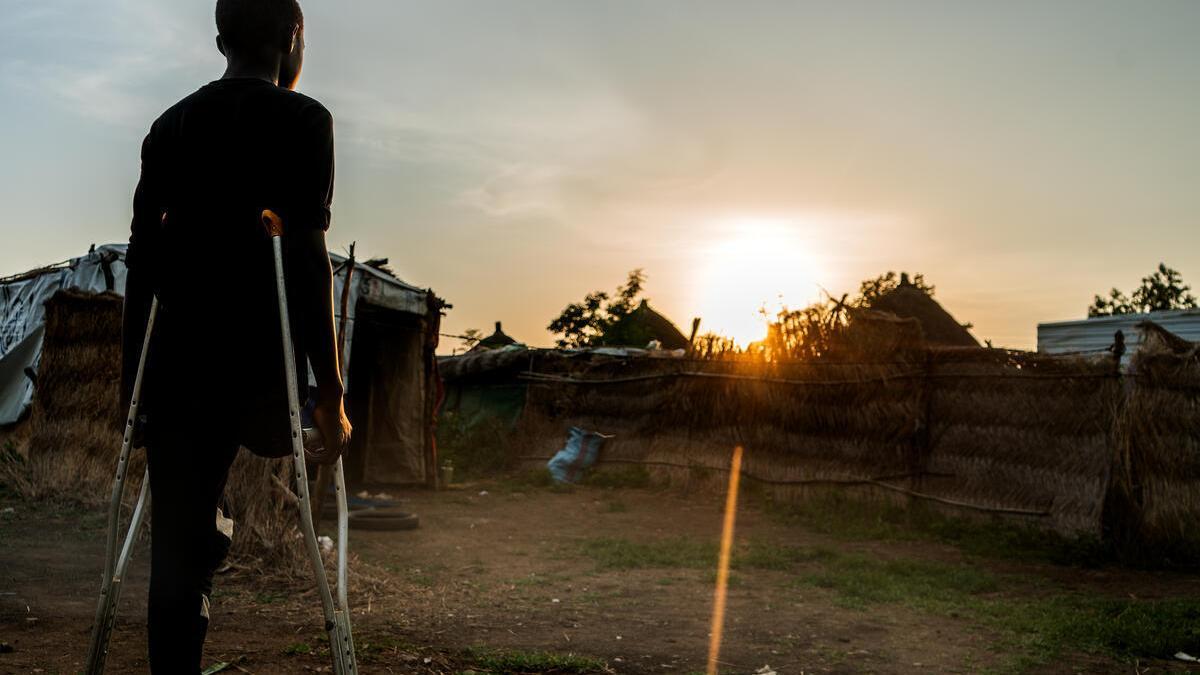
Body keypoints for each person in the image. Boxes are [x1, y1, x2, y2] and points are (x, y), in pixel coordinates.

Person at [120, 0, 351, 671]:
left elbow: (142, 264)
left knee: (178, 549)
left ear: (220, 40)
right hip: (260, 376)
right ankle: (212, 532)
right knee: (206, 523)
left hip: (174, 375)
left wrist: (130, 395)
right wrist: (329, 394)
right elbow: (308, 262)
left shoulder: (168, 126)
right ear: (293, 38)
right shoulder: (304, 120)